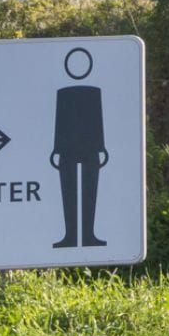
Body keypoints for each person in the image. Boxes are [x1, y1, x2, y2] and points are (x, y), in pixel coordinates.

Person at [50, 50, 109, 248]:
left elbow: (97, 121)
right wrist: (56, 149)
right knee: (68, 192)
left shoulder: (94, 93)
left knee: (90, 191)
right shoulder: (63, 94)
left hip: (90, 149)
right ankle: (70, 235)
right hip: (67, 150)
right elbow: (59, 123)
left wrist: (102, 147)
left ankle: (89, 235)